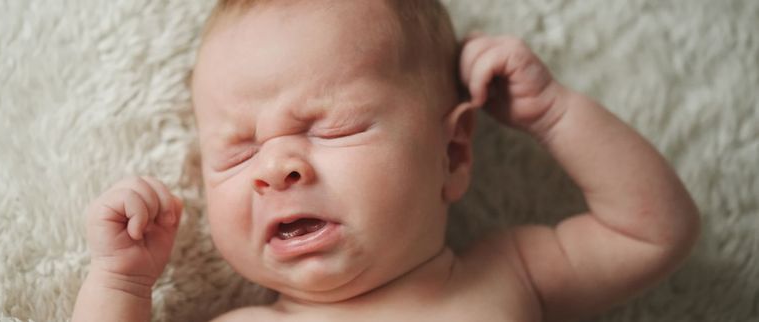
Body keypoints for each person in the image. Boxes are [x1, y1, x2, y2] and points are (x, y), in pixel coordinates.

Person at [73, 1, 700, 321]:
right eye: (237, 152)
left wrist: (553, 114)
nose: (274, 167)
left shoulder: (510, 274)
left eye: (332, 128)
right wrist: (122, 283)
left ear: (452, 155)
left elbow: (653, 232)